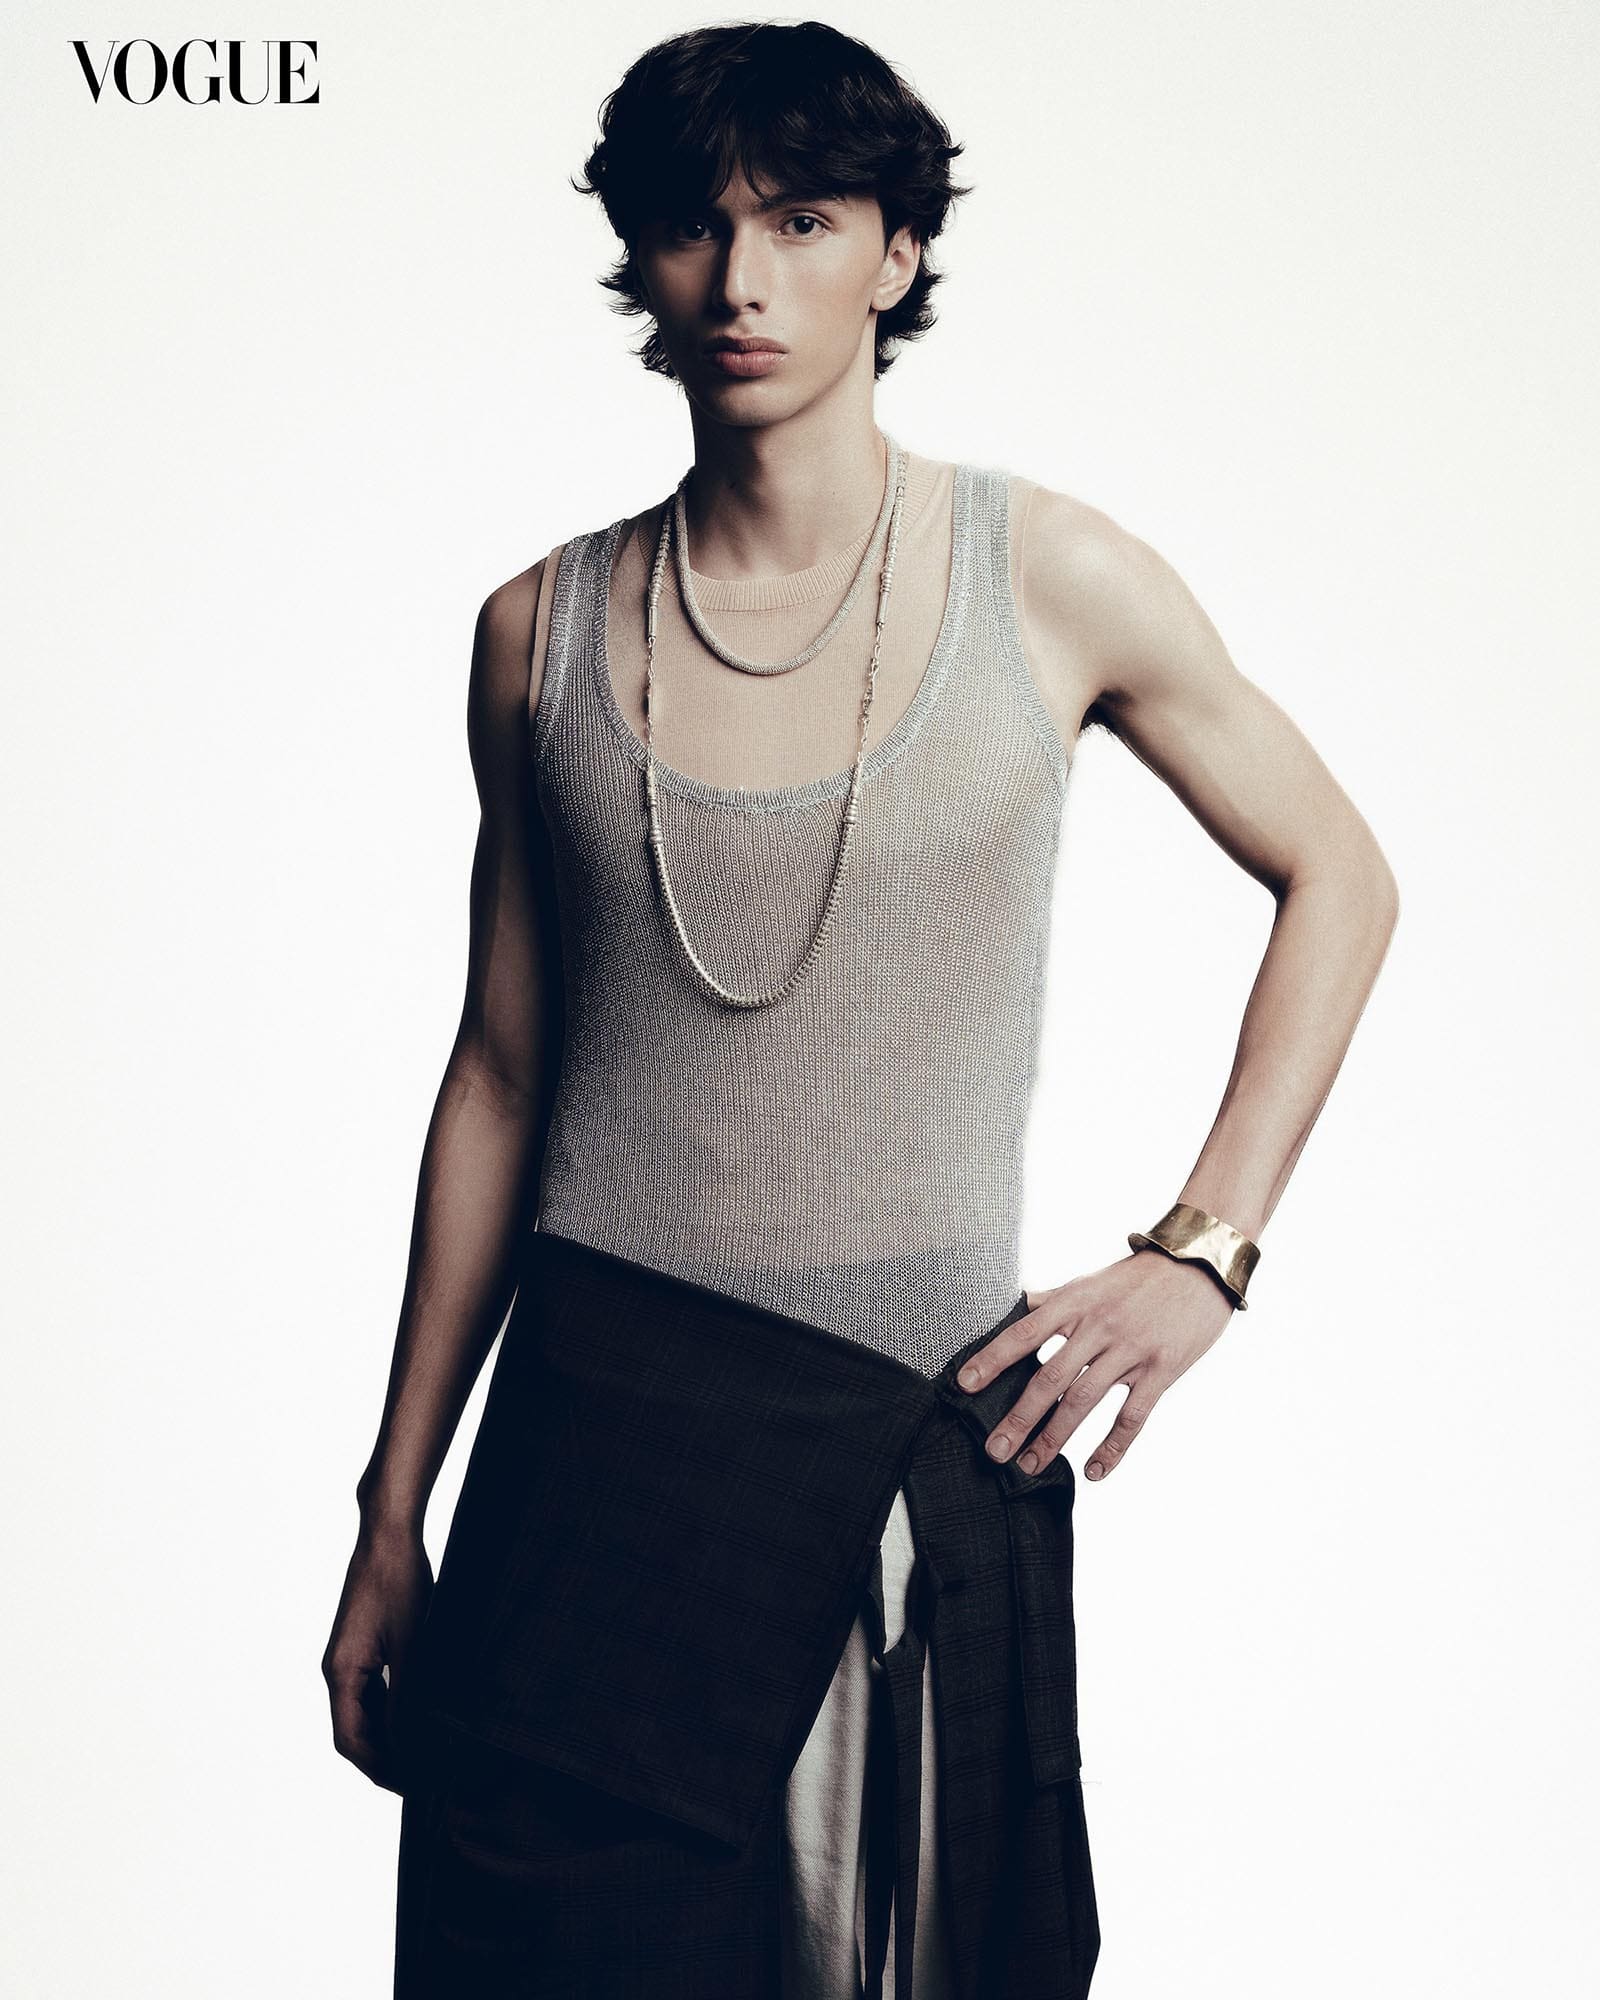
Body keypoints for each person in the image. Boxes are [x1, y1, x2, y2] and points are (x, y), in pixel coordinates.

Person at [321, 20, 1399, 1999]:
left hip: (903, 1457)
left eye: (802, 222)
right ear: (639, 259)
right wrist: (393, 1507)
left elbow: (1340, 869)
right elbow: (498, 1072)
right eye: (692, 225)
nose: (741, 281)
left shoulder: (1047, 575)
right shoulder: (536, 634)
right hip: (586, 1474)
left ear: (897, 251)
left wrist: (1206, 1249)